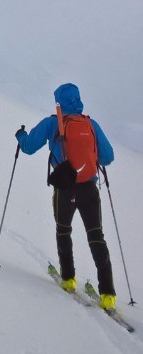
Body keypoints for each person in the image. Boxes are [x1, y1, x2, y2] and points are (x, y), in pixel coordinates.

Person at [16, 82, 116, 309]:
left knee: (64, 230)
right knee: (96, 236)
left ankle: (69, 279)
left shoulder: (53, 123)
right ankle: (108, 294)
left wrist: (20, 136)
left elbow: (29, 147)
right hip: (90, 189)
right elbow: (108, 157)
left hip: (65, 188)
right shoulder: (91, 124)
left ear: (59, 102)